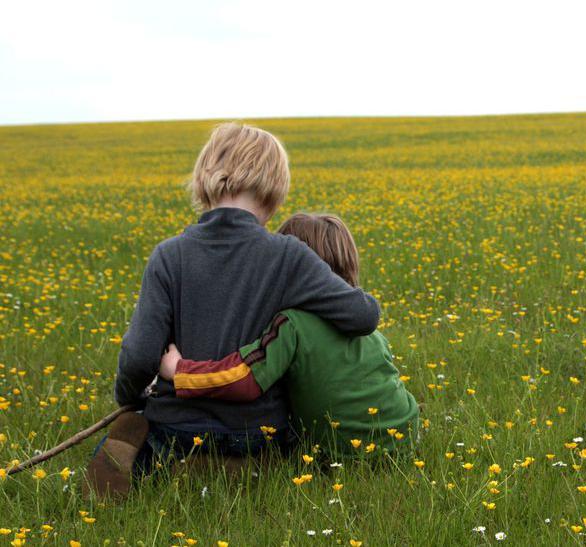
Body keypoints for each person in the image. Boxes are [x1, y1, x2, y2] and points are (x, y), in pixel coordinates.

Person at [87, 124, 381, 499]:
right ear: (276, 188)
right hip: (256, 431)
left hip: (176, 425)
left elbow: (140, 354)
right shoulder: (288, 256)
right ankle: (236, 468)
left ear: (204, 178)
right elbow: (364, 316)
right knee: (289, 446)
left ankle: (143, 458)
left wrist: (130, 398)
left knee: (144, 431)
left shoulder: (169, 255)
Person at [158, 214, 419, 461]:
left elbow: (244, 378)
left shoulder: (292, 325)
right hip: (405, 437)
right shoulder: (371, 332)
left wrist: (180, 371)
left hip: (341, 454)